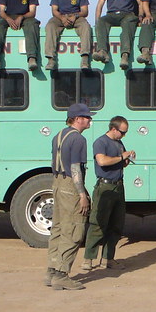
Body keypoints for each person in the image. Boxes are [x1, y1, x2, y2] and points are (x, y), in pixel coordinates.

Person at [45, 102, 94, 291]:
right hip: (70, 185)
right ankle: (61, 274)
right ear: (77, 119)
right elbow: (75, 168)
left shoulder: (58, 135)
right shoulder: (79, 139)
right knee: (74, 229)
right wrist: (82, 194)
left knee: (58, 227)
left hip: (57, 183)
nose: (90, 120)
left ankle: (51, 271)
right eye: (87, 117)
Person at [82, 116, 136, 271]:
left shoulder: (119, 143)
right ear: (113, 129)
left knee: (116, 224)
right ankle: (88, 259)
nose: (124, 135)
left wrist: (127, 159)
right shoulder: (100, 142)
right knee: (98, 223)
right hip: (104, 187)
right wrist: (121, 157)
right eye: (122, 132)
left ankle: (108, 259)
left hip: (118, 186)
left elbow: (121, 163)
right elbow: (102, 161)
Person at [93, 0, 139, 70]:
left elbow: (140, 3)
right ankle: (102, 52)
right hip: (112, 14)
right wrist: (97, 21)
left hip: (127, 14)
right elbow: (100, 4)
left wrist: (141, 17)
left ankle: (125, 56)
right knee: (102, 21)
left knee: (128, 24)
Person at [45, 0, 92, 71]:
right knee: (50, 26)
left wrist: (75, 16)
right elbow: (54, 10)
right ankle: (51, 59)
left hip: (76, 16)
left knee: (86, 26)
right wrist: (62, 18)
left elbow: (85, 11)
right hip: (60, 16)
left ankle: (85, 58)